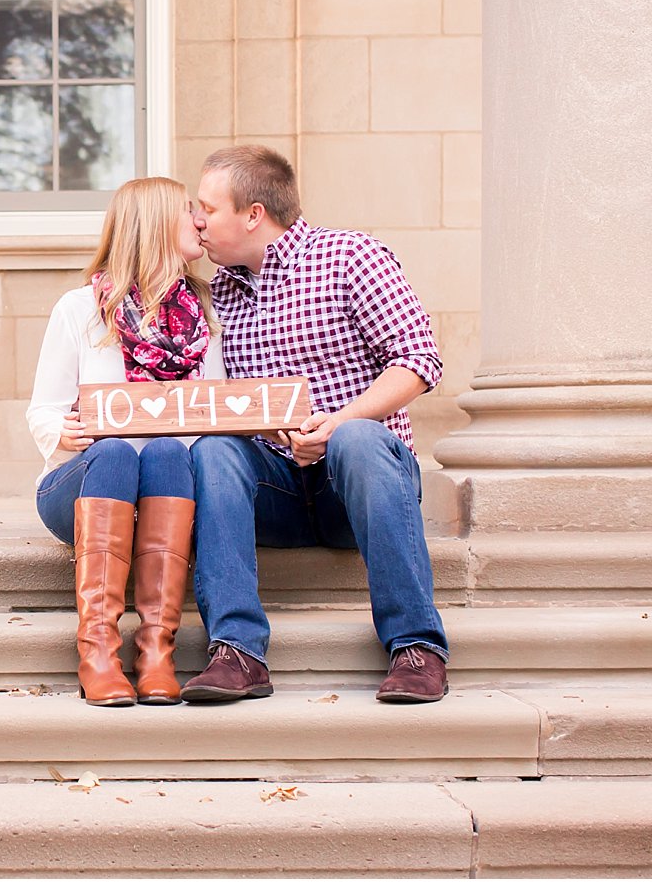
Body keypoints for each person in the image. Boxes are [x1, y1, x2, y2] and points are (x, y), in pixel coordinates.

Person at [181, 145, 450, 705]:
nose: (196, 219)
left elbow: (419, 363)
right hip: (274, 490)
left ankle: (416, 647)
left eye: (206, 207)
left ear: (253, 214)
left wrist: (335, 423)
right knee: (213, 448)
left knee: (356, 438)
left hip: (356, 486)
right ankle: (237, 651)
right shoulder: (217, 293)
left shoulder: (352, 257)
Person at [27, 176, 226, 707]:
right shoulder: (80, 309)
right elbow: (43, 411)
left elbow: (213, 415)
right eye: (190, 211)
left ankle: (157, 652)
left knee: (164, 448)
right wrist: (62, 431)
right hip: (87, 487)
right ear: (158, 225)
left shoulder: (206, 315)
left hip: (167, 490)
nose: (202, 221)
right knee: (115, 451)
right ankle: (97, 651)